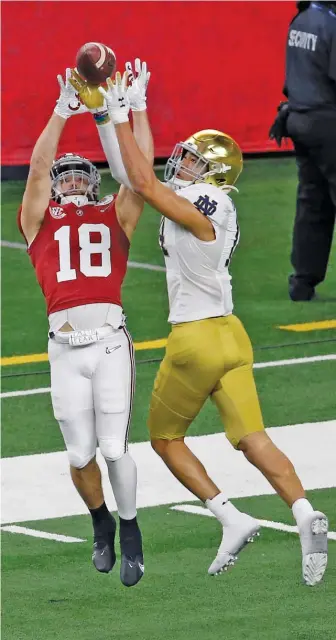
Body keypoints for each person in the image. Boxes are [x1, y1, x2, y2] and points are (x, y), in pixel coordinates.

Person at [92, 74, 328, 586]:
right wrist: (136, 110)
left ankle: (230, 517)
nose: (185, 164)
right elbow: (139, 175)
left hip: (195, 338)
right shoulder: (211, 201)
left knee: (165, 437)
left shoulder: (207, 204)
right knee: (251, 436)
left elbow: (144, 181)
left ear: (214, 173)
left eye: (196, 161)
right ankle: (304, 509)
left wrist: (118, 114)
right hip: (231, 336)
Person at [17, 61, 153, 587]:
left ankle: (131, 527)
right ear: (54, 188)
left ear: (94, 182)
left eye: (80, 174)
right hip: (64, 346)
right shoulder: (37, 220)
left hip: (110, 342)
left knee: (115, 446)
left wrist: (134, 108)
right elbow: (35, 171)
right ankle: (101, 521)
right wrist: (61, 112)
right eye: (64, 175)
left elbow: (140, 174)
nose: (71, 179)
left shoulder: (114, 213)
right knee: (79, 453)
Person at [269, 1, 336, 301]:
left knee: (313, 201)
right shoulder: (332, 22)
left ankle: (302, 282)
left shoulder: (303, 17)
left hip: (299, 118)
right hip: (328, 121)